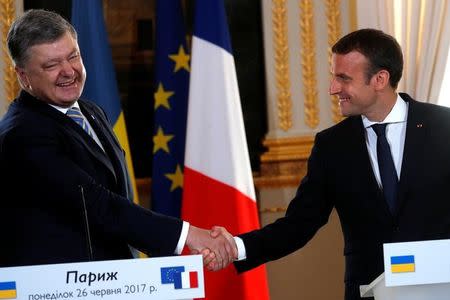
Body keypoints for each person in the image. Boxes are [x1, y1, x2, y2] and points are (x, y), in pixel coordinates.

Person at [210, 28, 450, 299]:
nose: (333, 88)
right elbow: (298, 224)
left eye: (343, 78)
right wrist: (236, 247)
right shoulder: (333, 145)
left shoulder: (444, 127)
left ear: (380, 79)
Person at [0, 9, 236, 269]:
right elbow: (97, 204)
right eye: (52, 65)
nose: (68, 71)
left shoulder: (91, 111)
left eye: (73, 56)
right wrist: (187, 235)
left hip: (112, 280)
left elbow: (118, 202)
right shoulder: (22, 134)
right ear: (23, 77)